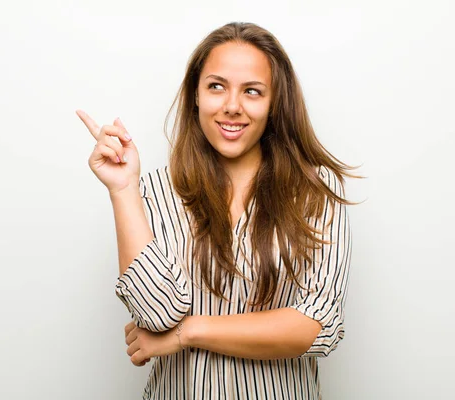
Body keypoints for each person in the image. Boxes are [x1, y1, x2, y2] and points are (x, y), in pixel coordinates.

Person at [77, 21, 358, 400]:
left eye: (252, 92)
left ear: (274, 103)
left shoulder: (314, 191)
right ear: (196, 94)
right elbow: (155, 316)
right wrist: (124, 189)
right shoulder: (154, 193)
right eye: (216, 86)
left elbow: (316, 325)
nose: (232, 106)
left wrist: (187, 333)